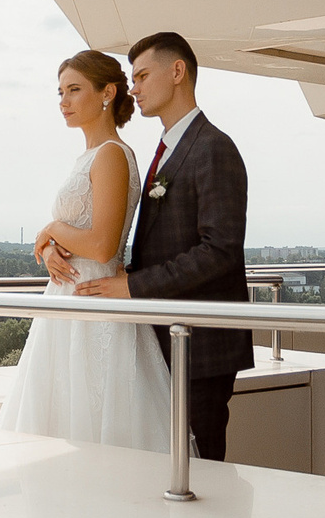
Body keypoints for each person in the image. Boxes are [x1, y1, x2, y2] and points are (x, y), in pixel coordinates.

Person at [69, 32, 251, 460]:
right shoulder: (167, 148)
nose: (134, 88)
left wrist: (134, 285)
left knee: (200, 469)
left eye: (143, 75)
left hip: (201, 343)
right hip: (163, 335)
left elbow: (220, 250)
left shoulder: (214, 148)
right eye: (132, 78)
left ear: (177, 71)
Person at [0, 51, 173, 450]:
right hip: (68, 303)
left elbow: (102, 244)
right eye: (60, 92)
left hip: (95, 302)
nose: (64, 101)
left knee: (96, 415)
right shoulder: (90, 155)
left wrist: (51, 229)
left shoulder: (112, 153)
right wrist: (52, 248)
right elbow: (83, 234)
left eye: (74, 90)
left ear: (107, 92)